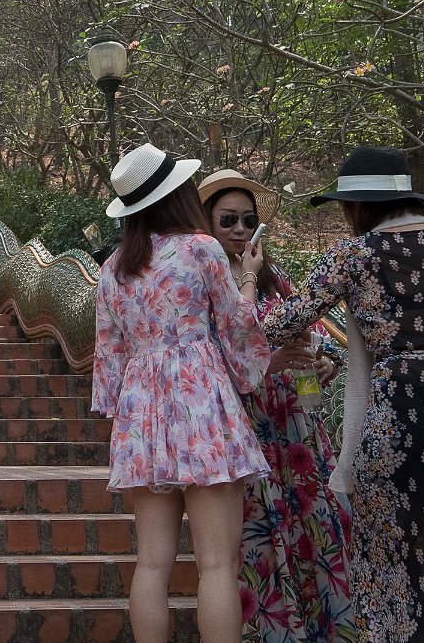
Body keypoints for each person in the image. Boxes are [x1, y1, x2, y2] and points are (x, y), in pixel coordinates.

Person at [264, 146, 424, 642]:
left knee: (388, 563)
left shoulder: (353, 256)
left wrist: (251, 275)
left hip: (396, 419)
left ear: (359, 206)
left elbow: (279, 325)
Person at [93, 143, 270, 643]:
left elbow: (108, 358)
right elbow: (237, 327)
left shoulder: (113, 269)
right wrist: (249, 281)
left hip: (140, 413)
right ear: (179, 195)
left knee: (151, 564)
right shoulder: (201, 250)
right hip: (201, 405)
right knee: (217, 565)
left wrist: (121, 419)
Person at [198, 170, 356, 642]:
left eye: (249, 220)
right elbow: (207, 364)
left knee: (317, 530)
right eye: (228, 219)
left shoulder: (273, 278)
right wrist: (268, 363)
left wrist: (326, 361)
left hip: (297, 428)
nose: (240, 230)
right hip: (245, 430)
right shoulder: (202, 282)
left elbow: (315, 331)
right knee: (260, 541)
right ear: (207, 222)